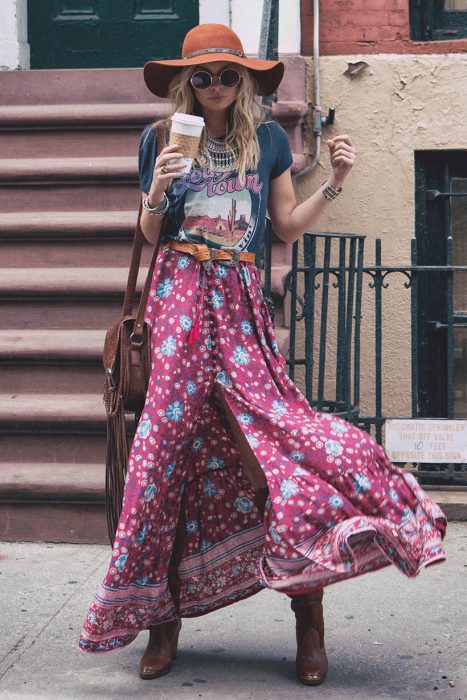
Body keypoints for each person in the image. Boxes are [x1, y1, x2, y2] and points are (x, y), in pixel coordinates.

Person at [78, 23, 447, 686]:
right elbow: (149, 233)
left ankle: (309, 620)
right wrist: (158, 189)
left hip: (241, 309)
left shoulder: (268, 138)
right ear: (183, 83)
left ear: (242, 79)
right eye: (202, 76)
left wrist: (333, 182)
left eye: (226, 74)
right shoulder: (160, 139)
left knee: (285, 452)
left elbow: (281, 228)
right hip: (178, 303)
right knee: (162, 459)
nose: (215, 86)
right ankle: (160, 624)